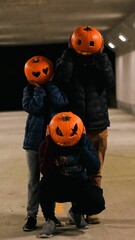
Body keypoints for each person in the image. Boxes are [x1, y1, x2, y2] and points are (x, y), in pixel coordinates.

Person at [53, 26, 115, 224]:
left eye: (91, 42)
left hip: (98, 126)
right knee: (75, 171)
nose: (86, 45)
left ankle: (91, 209)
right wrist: (70, 54)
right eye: (79, 41)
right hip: (73, 128)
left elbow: (109, 81)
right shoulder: (67, 61)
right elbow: (61, 81)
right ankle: (78, 209)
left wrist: (101, 55)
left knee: (95, 170)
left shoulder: (100, 61)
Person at [38, 111, 105, 238]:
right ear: (50, 130)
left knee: (98, 202)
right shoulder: (46, 145)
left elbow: (95, 166)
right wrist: (50, 143)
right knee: (43, 185)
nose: (67, 135)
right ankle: (50, 220)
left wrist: (82, 142)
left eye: (73, 130)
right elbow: (45, 171)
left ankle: (75, 212)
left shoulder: (84, 143)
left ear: (81, 129)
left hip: (77, 186)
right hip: (57, 187)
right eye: (59, 131)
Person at [22, 55, 69, 231]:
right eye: (35, 72)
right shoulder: (28, 90)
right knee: (33, 180)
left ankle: (50, 214)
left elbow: (62, 103)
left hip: (52, 142)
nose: (40, 73)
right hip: (34, 143)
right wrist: (39, 90)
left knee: (51, 179)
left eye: (43, 71)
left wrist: (49, 86)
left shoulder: (55, 88)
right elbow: (34, 108)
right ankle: (31, 216)